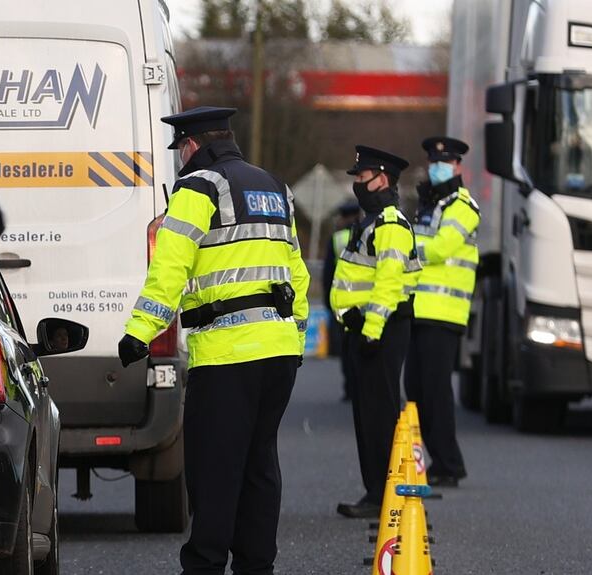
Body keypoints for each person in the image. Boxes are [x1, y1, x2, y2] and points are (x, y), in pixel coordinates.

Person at [117, 106, 310, 575]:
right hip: (279, 352)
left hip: (227, 356)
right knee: (260, 468)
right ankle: (255, 567)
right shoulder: (274, 187)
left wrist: (139, 333)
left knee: (214, 471)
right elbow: (297, 273)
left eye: (180, 151)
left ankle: (203, 568)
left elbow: (170, 269)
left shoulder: (198, 187)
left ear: (191, 146)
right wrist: (297, 337)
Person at [330, 145, 420, 519]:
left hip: (381, 332)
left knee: (379, 415)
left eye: (362, 177)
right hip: (366, 329)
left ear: (382, 178)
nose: (358, 185)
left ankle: (382, 495)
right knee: (367, 415)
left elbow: (387, 284)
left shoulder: (391, 226)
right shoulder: (370, 223)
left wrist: (370, 331)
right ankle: (375, 491)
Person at [405, 136, 479, 488]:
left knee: (435, 390)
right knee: (417, 388)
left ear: (458, 166)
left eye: (445, 162)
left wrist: (404, 246)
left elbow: (441, 248)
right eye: (434, 162)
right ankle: (436, 459)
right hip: (419, 308)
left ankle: (449, 463)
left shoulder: (463, 206)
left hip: (445, 311)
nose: (438, 167)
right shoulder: (430, 204)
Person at [321, 200, 362, 401]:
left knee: (347, 349)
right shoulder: (368, 233)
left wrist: (329, 301)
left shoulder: (337, 239)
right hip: (364, 301)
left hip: (342, 301)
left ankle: (350, 388)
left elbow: (328, 273)